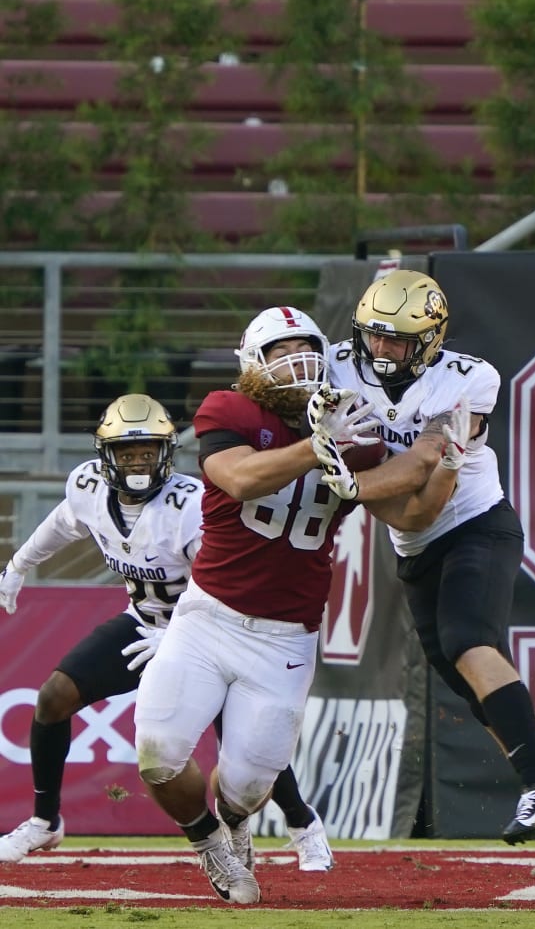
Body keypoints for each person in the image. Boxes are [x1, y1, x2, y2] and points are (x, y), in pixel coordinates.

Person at [307, 269, 535, 910]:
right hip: (415, 549)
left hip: (475, 526)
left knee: (469, 640)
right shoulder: (337, 369)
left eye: (399, 343)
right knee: (483, 696)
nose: (383, 353)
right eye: (374, 338)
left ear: (429, 343)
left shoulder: (467, 379)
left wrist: (349, 484)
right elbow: (398, 511)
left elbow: (426, 472)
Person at [0, 392, 331, 872]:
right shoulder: (88, 487)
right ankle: (44, 821)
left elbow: (220, 579)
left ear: (166, 453)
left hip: (211, 629)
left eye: (148, 452)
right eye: (128, 453)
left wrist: (179, 636)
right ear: (106, 456)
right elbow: (64, 521)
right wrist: (18, 565)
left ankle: (303, 824)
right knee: (53, 698)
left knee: (242, 739)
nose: (138, 462)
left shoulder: (190, 504)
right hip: (143, 623)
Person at [132, 307, 380, 905]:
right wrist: (320, 449)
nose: (297, 360)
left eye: (306, 347)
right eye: (280, 350)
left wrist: (439, 455)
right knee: (158, 755)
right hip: (208, 616)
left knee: (245, 788)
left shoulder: (359, 430)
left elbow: (399, 501)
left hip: (285, 638)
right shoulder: (229, 408)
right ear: (252, 363)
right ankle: (207, 841)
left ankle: (235, 821)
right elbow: (240, 479)